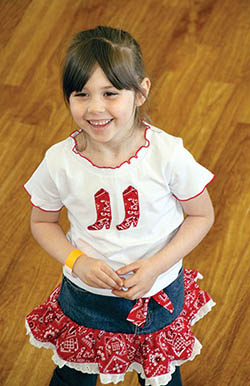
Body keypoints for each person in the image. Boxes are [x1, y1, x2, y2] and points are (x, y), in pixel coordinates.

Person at [24, 26, 216, 386]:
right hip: (86, 298)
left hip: (156, 293)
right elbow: (42, 222)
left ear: (140, 92)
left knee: (160, 379)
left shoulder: (167, 155)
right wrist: (75, 261)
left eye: (110, 93)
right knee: (71, 378)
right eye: (81, 94)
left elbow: (202, 214)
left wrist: (155, 266)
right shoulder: (58, 162)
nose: (95, 107)